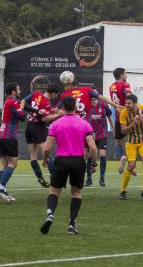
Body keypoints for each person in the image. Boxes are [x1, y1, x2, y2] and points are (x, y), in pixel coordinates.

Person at [40, 95, 98, 235]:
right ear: (76, 107)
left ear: (63, 108)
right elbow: (93, 148)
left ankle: (50, 215)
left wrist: (44, 159)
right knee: (76, 193)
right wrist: (94, 163)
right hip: (78, 161)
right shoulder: (85, 124)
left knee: (54, 191)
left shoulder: (56, 124)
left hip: (61, 160)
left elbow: (47, 148)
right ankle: (71, 225)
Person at [22, 76, 59, 188]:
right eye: (56, 94)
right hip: (38, 128)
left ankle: (40, 177)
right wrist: (57, 115)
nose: (55, 97)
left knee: (33, 156)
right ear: (53, 93)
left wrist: (35, 111)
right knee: (46, 153)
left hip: (28, 127)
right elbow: (44, 119)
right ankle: (54, 177)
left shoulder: (35, 94)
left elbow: (23, 102)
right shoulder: (46, 103)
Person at [119, 94, 143, 200]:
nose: (127, 105)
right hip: (131, 142)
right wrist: (133, 124)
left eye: (129, 103)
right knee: (131, 165)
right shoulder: (124, 113)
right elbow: (123, 131)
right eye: (126, 103)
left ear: (135, 103)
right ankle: (123, 191)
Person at [0, 83, 25, 201]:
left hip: (0, 135)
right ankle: (1, 187)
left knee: (4, 164)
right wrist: (22, 107)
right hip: (9, 136)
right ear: (13, 91)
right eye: (18, 89)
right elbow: (22, 117)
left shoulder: (8, 101)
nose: (19, 90)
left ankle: (3, 188)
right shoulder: (13, 102)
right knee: (13, 163)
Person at [85, 94, 114, 187]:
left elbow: (109, 116)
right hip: (90, 134)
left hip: (102, 134)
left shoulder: (104, 105)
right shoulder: (86, 106)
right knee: (90, 155)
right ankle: (88, 179)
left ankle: (102, 179)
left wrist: (113, 129)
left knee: (102, 154)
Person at [109, 68, 132, 174]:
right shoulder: (125, 85)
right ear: (121, 75)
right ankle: (132, 163)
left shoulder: (111, 86)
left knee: (118, 141)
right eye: (125, 73)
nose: (126, 75)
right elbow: (128, 96)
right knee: (133, 140)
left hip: (118, 117)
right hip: (128, 115)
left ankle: (122, 156)